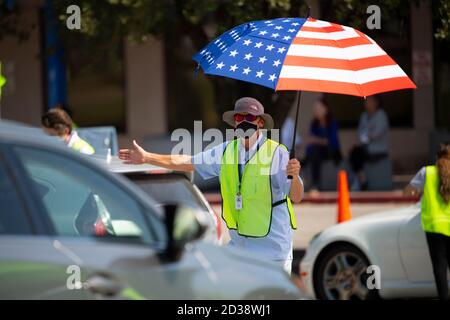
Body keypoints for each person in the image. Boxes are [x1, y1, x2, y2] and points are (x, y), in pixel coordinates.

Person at [119, 97, 304, 274]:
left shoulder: (277, 153)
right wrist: (147, 157)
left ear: (260, 123)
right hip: (241, 249)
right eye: (240, 117)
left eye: (250, 118)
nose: (244, 122)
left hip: (273, 252)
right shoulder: (226, 151)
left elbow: (296, 196)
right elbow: (187, 161)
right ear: (234, 123)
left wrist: (294, 177)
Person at [404, 142, 450, 300]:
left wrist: (419, 191)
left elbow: (407, 192)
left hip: (434, 227)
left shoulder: (427, 172)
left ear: (437, 157)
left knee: (440, 269)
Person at [349, 95, 389, 190]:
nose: (367, 103)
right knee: (354, 152)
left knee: (356, 153)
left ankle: (361, 180)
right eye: (366, 101)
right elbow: (360, 132)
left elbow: (377, 133)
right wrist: (366, 134)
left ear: (376, 102)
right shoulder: (364, 115)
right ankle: (361, 179)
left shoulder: (381, 115)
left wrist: (367, 134)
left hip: (378, 149)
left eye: (370, 101)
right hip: (366, 147)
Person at [303, 97, 341, 192]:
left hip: (331, 151)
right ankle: (309, 183)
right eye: (315, 109)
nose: (316, 111)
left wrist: (316, 140)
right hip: (318, 152)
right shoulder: (314, 123)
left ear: (326, 109)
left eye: (318, 108)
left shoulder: (332, 122)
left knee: (315, 150)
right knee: (312, 153)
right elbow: (310, 140)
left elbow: (331, 141)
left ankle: (316, 184)